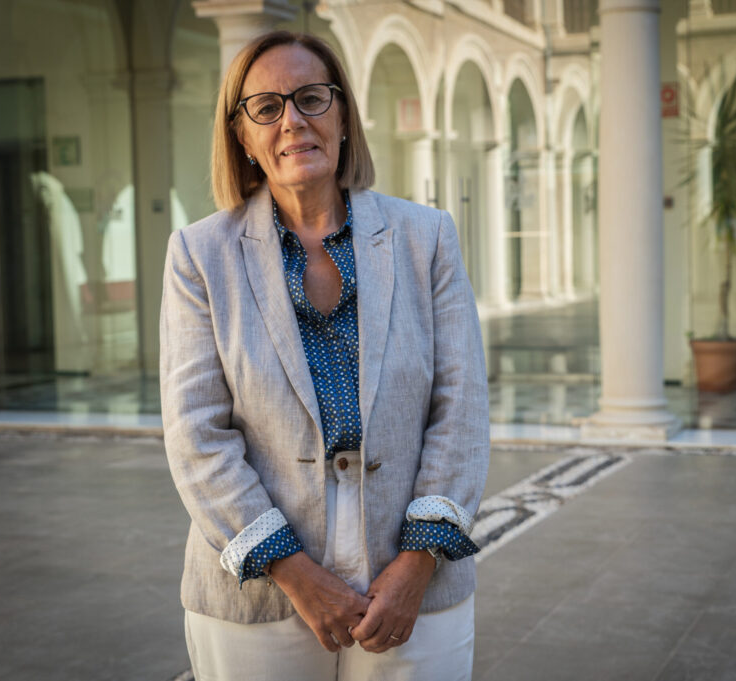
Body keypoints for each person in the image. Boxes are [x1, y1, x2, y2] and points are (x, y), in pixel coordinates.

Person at [159, 30, 489, 681]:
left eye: (311, 98)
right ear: (242, 135)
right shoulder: (199, 254)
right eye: (266, 107)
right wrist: (293, 570)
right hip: (259, 586)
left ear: (342, 115)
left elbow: (462, 407)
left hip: (412, 574)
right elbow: (195, 432)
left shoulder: (426, 237)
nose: (292, 121)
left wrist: (418, 561)